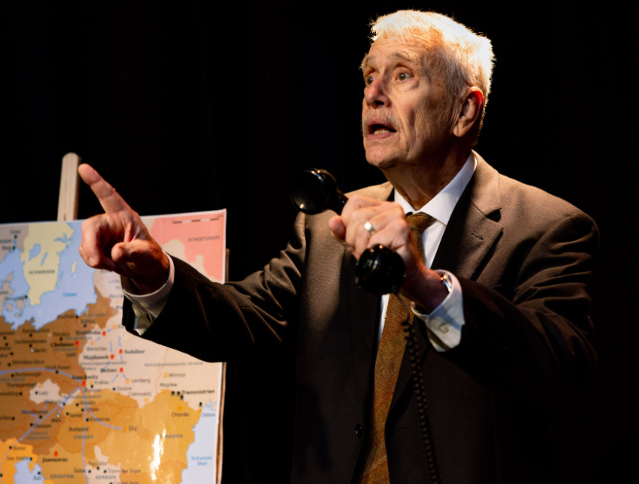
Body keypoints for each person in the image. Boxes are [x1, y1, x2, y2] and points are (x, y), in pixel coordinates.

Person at [78, 10, 599, 484]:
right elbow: (243, 319)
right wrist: (155, 276)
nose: (373, 94)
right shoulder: (330, 226)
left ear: (465, 111)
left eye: (402, 75)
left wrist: (426, 286)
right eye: (369, 76)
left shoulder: (548, 226)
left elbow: (559, 369)